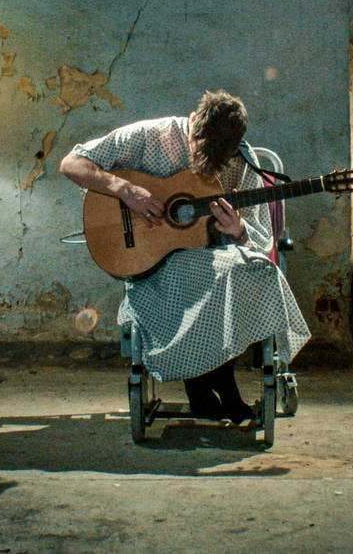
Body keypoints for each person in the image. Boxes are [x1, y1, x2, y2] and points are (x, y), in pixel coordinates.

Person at [59, 90, 310, 424]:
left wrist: (238, 229)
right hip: (157, 267)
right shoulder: (148, 135)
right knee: (204, 275)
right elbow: (71, 163)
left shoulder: (241, 159)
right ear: (193, 124)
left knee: (258, 270)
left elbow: (260, 235)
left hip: (219, 264)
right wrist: (125, 189)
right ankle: (221, 388)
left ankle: (204, 386)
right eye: (200, 150)